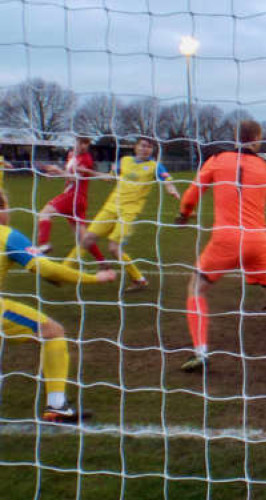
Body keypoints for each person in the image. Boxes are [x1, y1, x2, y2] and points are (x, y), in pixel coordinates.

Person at [176, 120, 266, 372]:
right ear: (257, 139)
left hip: (225, 241)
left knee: (196, 288)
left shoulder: (217, 160)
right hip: (257, 242)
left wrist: (184, 213)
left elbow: (192, 193)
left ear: (235, 138)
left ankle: (200, 352)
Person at [0, 189, 117, 422]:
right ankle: (56, 405)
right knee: (52, 331)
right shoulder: (7, 235)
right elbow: (48, 269)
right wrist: (95, 278)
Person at [66, 136, 180, 292]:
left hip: (128, 213)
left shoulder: (155, 166)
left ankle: (139, 279)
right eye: (143, 145)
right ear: (136, 147)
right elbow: (109, 178)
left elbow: (167, 179)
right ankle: (63, 269)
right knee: (87, 239)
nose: (145, 149)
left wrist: (171, 189)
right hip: (111, 207)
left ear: (152, 150)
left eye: (149, 147)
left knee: (113, 248)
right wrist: (87, 171)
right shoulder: (124, 160)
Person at [37, 136, 105, 264]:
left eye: (87, 144)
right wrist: (54, 172)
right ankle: (103, 262)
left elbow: (74, 179)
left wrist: (58, 171)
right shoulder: (71, 155)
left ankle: (43, 244)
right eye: (82, 143)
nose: (84, 146)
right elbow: (68, 175)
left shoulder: (86, 159)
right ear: (76, 143)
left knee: (45, 213)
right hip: (76, 198)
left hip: (74, 196)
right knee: (83, 238)